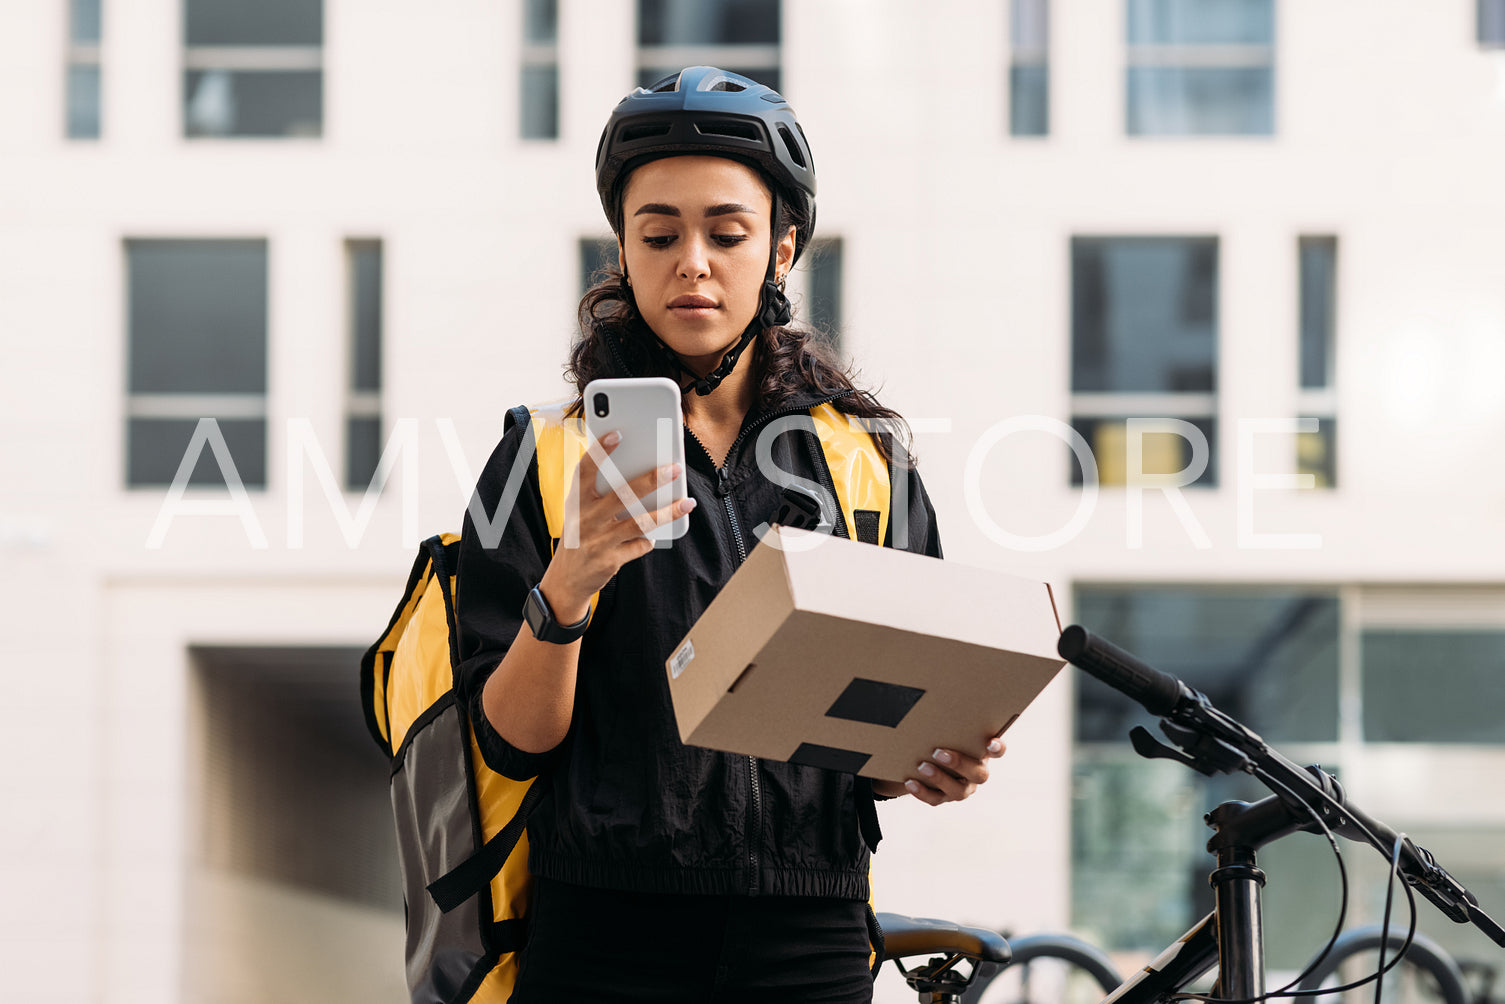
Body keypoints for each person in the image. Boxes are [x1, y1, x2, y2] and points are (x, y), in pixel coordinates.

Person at [453, 66, 1005, 1004]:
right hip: (601, 931)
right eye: (657, 234)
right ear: (622, 254)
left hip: (807, 933)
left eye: (727, 232)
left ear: (782, 249)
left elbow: (877, 724)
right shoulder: (542, 459)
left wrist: (926, 760)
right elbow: (508, 743)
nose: (691, 262)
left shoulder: (864, 462)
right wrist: (574, 578)